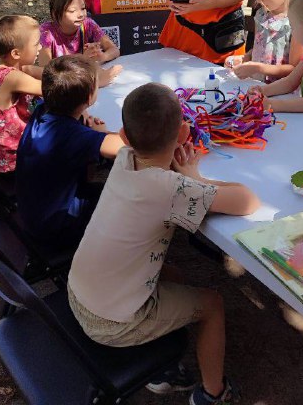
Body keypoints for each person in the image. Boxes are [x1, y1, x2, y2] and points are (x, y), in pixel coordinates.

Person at [67, 83, 259, 405]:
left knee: (175, 276)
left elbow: (158, 178)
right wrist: (195, 178)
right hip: (112, 322)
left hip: (78, 292)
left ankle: (162, 368)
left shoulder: (125, 158)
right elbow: (248, 200)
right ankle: (213, 393)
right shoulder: (171, 189)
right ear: (184, 133)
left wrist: (184, 178)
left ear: (124, 136)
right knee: (213, 305)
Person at [16, 55, 123, 251]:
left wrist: (84, 117)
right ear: (90, 97)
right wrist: (102, 133)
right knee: (123, 198)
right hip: (56, 227)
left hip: (32, 212)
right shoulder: (74, 135)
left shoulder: (43, 108)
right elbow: (124, 147)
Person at [0, 15, 43, 176]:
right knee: (71, 140)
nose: (40, 47)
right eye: (36, 44)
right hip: (15, 164)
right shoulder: (11, 78)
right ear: (16, 53)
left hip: (2, 157)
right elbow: (55, 88)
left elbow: (31, 70)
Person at [225, 0, 303, 81]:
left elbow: (295, 69)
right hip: (256, 86)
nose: (259, 0)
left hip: (280, 93)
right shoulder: (263, 14)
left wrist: (259, 68)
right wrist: (245, 58)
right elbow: (261, 45)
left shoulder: (297, 23)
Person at [37, 0, 121, 87]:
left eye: (83, 8)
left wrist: (102, 56)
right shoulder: (46, 32)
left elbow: (115, 50)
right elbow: (45, 72)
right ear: (55, 14)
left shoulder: (88, 24)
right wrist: (82, 59)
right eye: (72, 11)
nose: (81, 14)